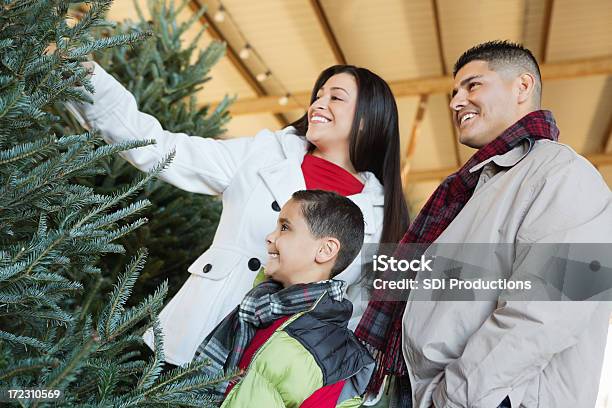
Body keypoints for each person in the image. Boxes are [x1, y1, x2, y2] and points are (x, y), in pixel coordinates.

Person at [66, 62, 409, 365]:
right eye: (318, 95)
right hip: (197, 340)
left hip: (274, 371)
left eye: (335, 97)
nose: (318, 103)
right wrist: (89, 81)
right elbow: (163, 149)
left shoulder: (381, 217)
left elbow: (358, 316)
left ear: (368, 119)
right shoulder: (262, 154)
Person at [356, 40, 612, 407]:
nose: (456, 102)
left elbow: (552, 311)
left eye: (472, 85)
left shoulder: (567, 175)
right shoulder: (472, 188)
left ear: (522, 87)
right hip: (427, 391)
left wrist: (455, 396)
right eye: (454, 92)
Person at [195, 190, 374, 408]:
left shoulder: (332, 353)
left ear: (325, 250)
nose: (270, 236)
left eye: (285, 227)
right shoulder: (257, 308)